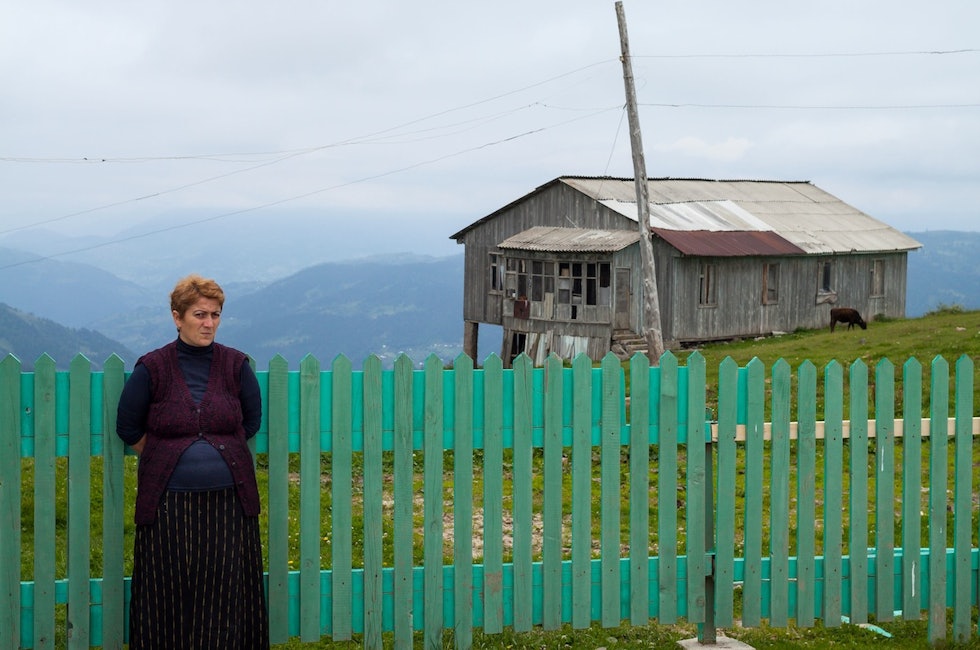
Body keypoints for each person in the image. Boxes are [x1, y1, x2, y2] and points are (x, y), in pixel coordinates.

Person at [117, 274, 268, 649]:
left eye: (215, 315)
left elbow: (250, 422)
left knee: (226, 592)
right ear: (176, 317)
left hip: (229, 505)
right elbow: (128, 427)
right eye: (199, 314)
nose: (209, 323)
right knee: (167, 592)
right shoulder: (152, 368)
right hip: (169, 505)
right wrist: (169, 454)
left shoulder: (235, 365)